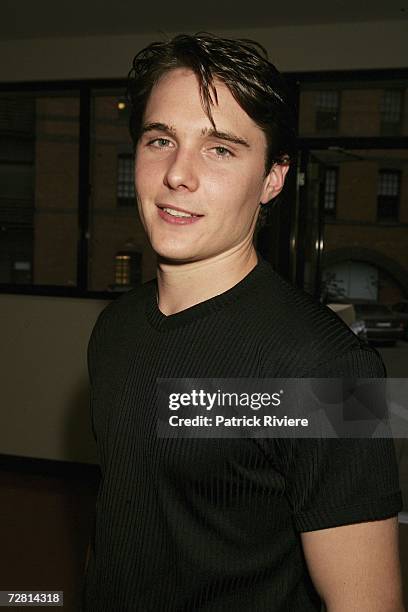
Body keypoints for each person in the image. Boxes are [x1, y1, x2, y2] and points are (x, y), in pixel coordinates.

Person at [82, 33, 404, 611]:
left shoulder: (332, 368)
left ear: (273, 179)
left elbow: (368, 603)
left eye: (220, 149)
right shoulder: (114, 328)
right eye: (161, 140)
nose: (177, 174)